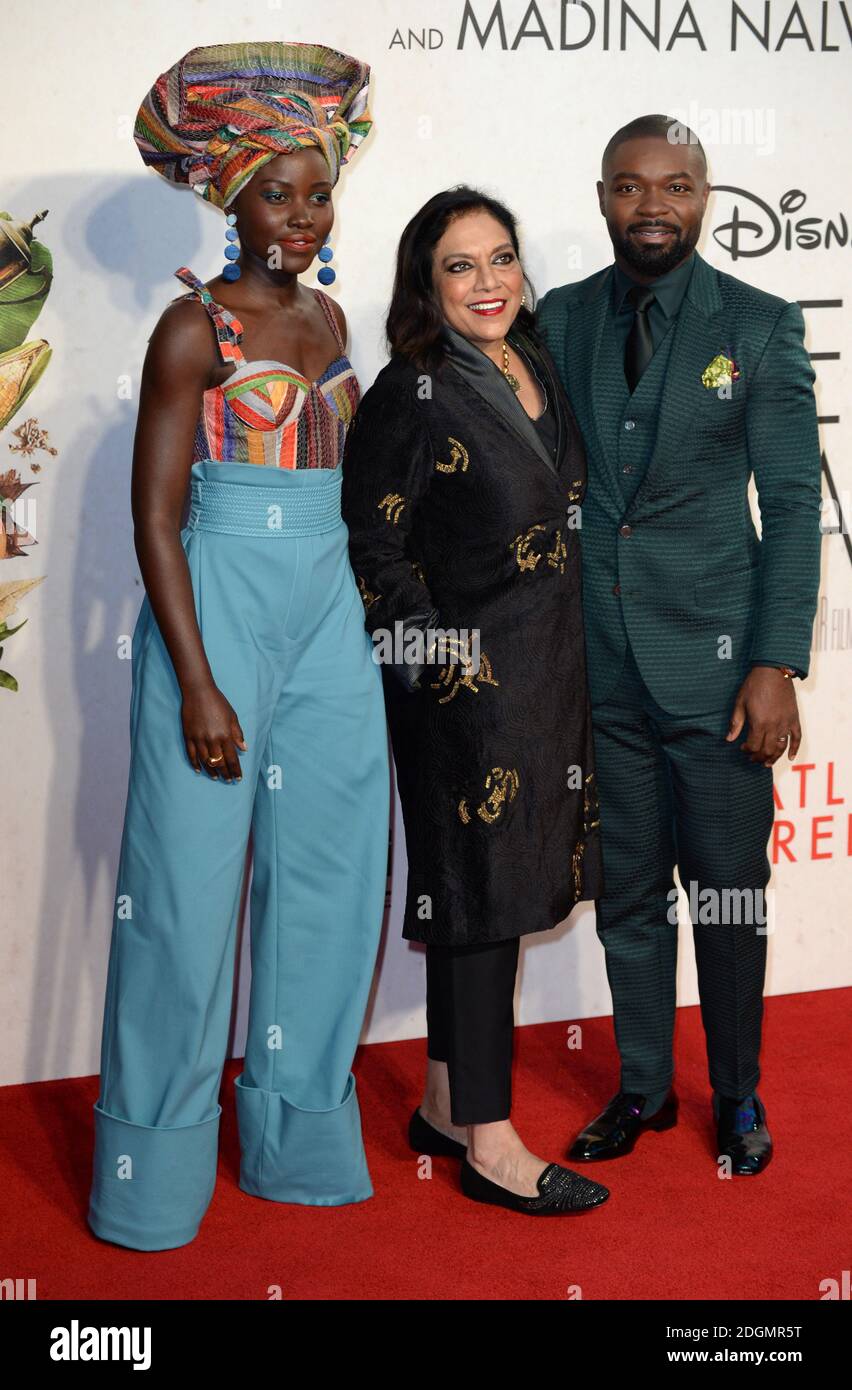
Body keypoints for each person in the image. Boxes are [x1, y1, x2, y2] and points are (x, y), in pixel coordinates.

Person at [87, 42, 390, 1252]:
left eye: (319, 190)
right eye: (280, 191)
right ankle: (148, 1180)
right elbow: (152, 516)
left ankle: (299, 1144)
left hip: (328, 611)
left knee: (331, 881)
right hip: (214, 602)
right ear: (232, 198)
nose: (304, 212)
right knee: (181, 894)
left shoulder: (327, 312)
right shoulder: (189, 328)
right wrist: (199, 682)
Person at [537, 114, 822, 1174]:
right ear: (602, 194)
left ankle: (739, 1094)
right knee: (626, 898)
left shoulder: (759, 325)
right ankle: (644, 1088)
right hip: (596, 668)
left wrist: (774, 662)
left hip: (719, 675)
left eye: (676, 185)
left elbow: (792, 503)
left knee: (730, 894)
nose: (651, 204)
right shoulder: (560, 318)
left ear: (705, 197)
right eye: (629, 185)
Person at [341, 186, 609, 1215]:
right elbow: (373, 545)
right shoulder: (410, 390)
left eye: (501, 257)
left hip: (548, 674)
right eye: (461, 265)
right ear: (426, 283)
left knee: (487, 894)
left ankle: (448, 1102)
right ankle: (493, 1145)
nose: (489, 281)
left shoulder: (532, 363)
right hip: (466, 689)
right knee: (483, 899)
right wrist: (446, 665)